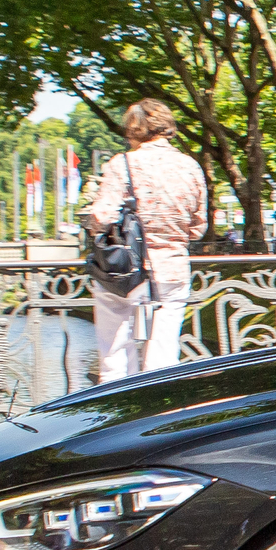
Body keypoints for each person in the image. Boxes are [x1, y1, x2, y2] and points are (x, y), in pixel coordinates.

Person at [84, 99, 209, 383]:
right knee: (163, 351)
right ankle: (158, 407)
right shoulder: (190, 166)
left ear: (134, 130)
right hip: (173, 268)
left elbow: (102, 216)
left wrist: (91, 223)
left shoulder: (124, 164)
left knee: (114, 347)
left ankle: (117, 404)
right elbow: (199, 226)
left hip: (127, 268)